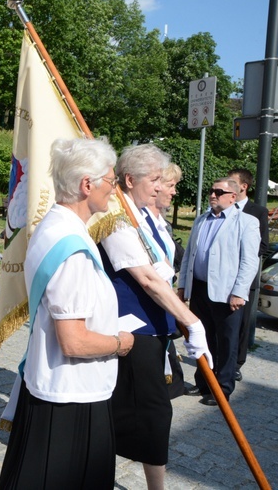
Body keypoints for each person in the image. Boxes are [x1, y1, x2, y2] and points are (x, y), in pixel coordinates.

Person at [0, 138, 134, 489]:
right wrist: (120, 342)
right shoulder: (72, 248)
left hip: (53, 384)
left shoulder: (53, 226)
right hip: (72, 394)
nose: (114, 190)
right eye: (111, 181)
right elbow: (73, 341)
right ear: (87, 185)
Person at [98, 144, 212, 490]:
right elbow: (147, 278)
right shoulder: (116, 217)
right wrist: (192, 321)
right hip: (132, 328)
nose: (162, 186)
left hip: (155, 327)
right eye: (156, 179)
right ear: (130, 180)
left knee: (140, 411)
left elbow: (162, 271)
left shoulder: (143, 215)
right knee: (152, 412)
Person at [178, 178, 260, 406]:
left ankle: (223, 389)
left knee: (226, 342)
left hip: (227, 293)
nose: (212, 195)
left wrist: (239, 292)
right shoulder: (201, 220)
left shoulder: (246, 222)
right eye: (210, 191)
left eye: (218, 192)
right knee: (202, 338)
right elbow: (189, 256)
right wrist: (183, 284)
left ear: (232, 197)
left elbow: (249, 262)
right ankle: (203, 382)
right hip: (200, 289)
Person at [145, 163, 187, 399]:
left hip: (163, 300)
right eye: (170, 186)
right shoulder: (138, 222)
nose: (174, 192)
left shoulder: (164, 225)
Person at [228, 168, 268, 382]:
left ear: (243, 186)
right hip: (220, 278)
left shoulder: (257, 211)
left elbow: (263, 245)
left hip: (245, 278)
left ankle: (237, 364)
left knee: (242, 325)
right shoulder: (223, 205)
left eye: (232, 181)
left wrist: (240, 255)